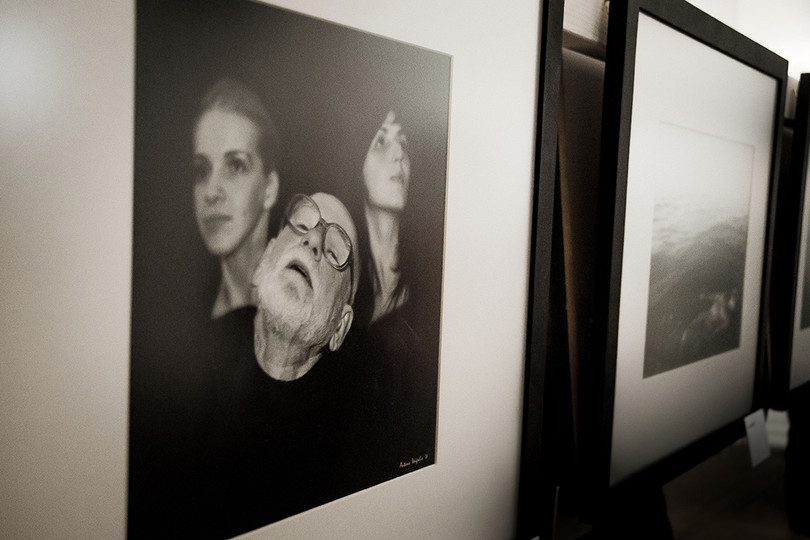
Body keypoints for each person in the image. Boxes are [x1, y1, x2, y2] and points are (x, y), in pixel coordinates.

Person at [192, 78, 280, 319]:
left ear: (269, 188)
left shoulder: (300, 315)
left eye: (235, 166)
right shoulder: (183, 316)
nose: (211, 192)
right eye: (201, 170)